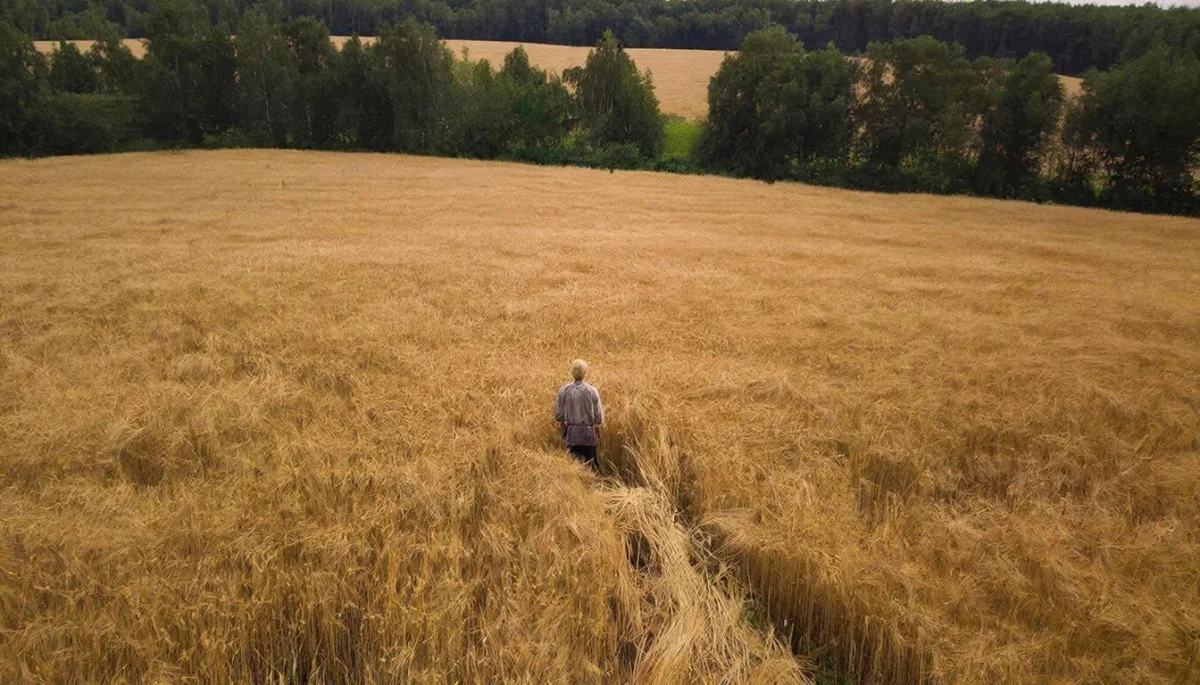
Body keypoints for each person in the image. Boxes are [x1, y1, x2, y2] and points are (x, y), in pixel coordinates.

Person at [553, 359, 604, 466]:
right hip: (588, 434)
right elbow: (598, 417)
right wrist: (597, 429)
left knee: (573, 466)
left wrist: (565, 423)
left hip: (571, 434)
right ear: (585, 372)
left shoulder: (564, 390)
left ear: (572, 372)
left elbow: (558, 415)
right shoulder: (592, 391)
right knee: (590, 466)